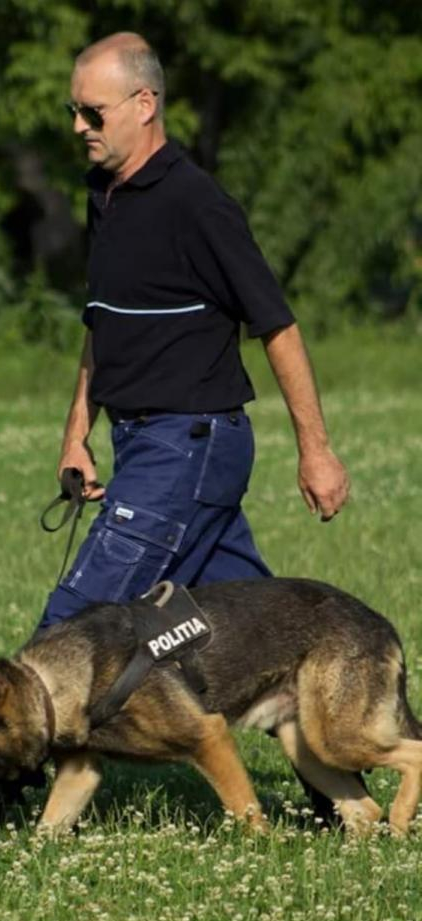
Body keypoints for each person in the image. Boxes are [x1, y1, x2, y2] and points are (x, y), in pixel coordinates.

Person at [38, 32, 350, 630]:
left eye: (92, 112)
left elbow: (278, 326)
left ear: (144, 104)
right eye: (73, 110)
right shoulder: (104, 196)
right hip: (145, 446)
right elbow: (102, 321)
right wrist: (77, 435)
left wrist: (316, 451)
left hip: (187, 444)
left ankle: (5, 704)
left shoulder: (197, 204)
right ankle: (341, 692)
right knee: (252, 643)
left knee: (74, 631)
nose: (78, 126)